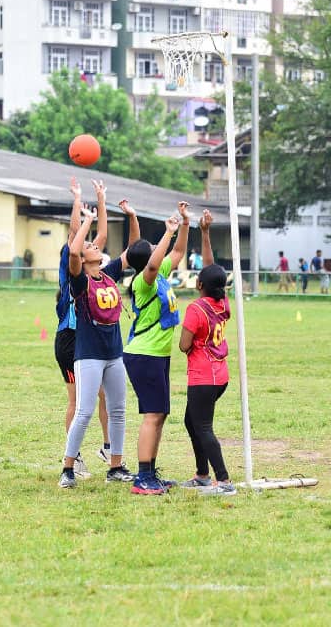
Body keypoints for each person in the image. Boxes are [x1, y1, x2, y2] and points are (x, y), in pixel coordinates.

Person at [55, 178, 127, 477]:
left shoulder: (102, 273)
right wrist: (78, 203)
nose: (92, 244)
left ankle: (111, 451)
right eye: (88, 244)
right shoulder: (74, 269)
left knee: (107, 399)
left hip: (103, 343)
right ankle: (73, 459)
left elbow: (103, 234)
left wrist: (100, 200)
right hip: (73, 338)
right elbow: (76, 241)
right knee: (78, 402)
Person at [123, 201, 190, 496]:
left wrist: (185, 225)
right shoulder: (143, 281)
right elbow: (153, 263)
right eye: (153, 247)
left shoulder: (159, 273)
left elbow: (176, 254)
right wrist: (168, 232)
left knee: (160, 412)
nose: (159, 252)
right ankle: (141, 478)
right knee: (152, 413)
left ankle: (151, 472)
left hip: (158, 355)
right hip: (144, 354)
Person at [179, 210, 236, 496]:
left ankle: (223, 481)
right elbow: (213, 271)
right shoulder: (222, 302)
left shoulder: (195, 309)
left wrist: (189, 341)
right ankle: (202, 474)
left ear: (199, 285)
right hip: (219, 374)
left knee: (202, 426)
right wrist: (204, 232)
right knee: (192, 421)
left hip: (204, 375)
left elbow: (183, 345)